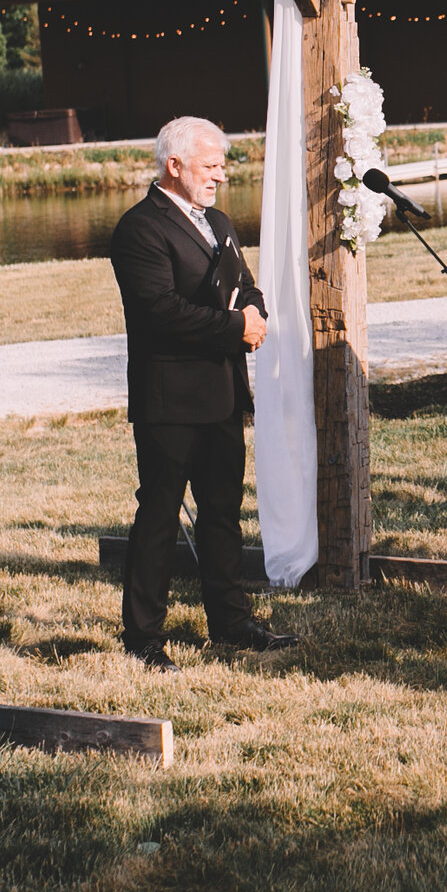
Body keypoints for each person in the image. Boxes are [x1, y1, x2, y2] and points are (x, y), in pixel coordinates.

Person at [109, 117, 292, 672]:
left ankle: (230, 621)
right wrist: (236, 328)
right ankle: (143, 637)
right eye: (210, 166)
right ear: (175, 165)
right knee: (160, 517)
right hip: (169, 397)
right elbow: (158, 312)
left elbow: (244, 282)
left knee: (222, 514)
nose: (219, 175)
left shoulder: (218, 221)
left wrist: (254, 310)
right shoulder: (140, 228)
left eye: (220, 166)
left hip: (222, 392)